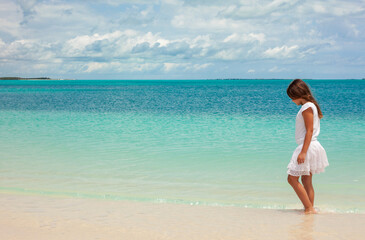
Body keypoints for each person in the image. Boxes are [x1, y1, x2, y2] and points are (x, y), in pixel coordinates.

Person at [286, 79, 329, 214]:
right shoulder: (310, 106)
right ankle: (309, 209)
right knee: (306, 179)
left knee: (292, 179)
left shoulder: (307, 107)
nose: (292, 101)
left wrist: (303, 152)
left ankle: (309, 208)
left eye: (292, 97)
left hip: (308, 147)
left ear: (298, 94)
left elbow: (309, 131)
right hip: (311, 146)